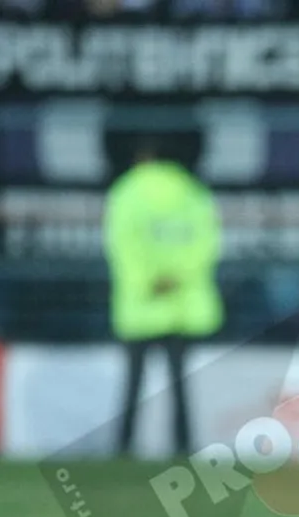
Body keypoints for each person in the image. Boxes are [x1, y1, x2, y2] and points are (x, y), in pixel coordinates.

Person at [104, 143, 223, 458]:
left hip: (140, 305)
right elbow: (207, 243)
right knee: (179, 383)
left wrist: (147, 280)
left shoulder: (127, 192)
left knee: (133, 383)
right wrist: (176, 276)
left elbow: (121, 244)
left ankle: (123, 447)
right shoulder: (193, 193)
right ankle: (183, 444)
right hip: (180, 304)